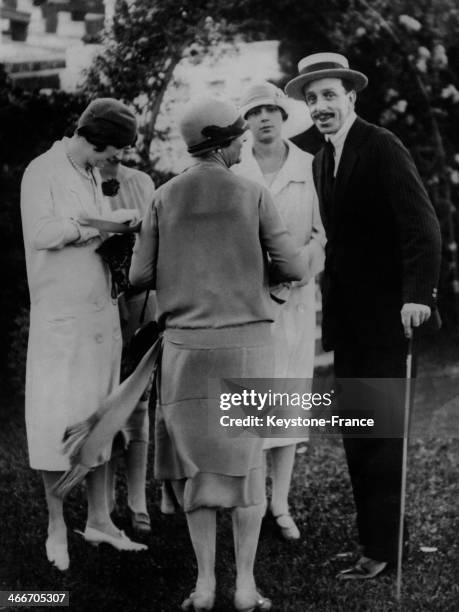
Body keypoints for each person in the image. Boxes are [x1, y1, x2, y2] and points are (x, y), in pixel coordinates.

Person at [129, 96, 309, 611]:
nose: (244, 142)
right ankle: (246, 585)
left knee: (196, 470)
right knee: (247, 470)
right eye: (238, 136)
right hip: (247, 351)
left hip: (185, 351)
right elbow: (293, 266)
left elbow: (141, 277)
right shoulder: (251, 193)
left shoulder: (163, 197)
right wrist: (265, 280)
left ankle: (205, 584)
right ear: (225, 141)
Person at [285, 53, 442, 578]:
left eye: (329, 95)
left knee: (381, 440)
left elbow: (422, 226)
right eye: (311, 99)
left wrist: (417, 294)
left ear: (351, 97)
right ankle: (375, 543)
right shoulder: (320, 157)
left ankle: (381, 550)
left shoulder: (381, 145)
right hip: (350, 321)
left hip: (391, 320)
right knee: (360, 433)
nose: (320, 106)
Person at [20, 98, 148, 571]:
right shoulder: (43, 170)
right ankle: (57, 525)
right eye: (110, 153)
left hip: (99, 316)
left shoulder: (90, 173)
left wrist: (115, 232)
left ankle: (101, 520)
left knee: (102, 419)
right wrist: (97, 226)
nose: (112, 163)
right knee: (57, 421)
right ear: (91, 140)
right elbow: (42, 233)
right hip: (62, 320)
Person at [234, 81, 325, 540]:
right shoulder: (233, 169)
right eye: (255, 112)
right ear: (244, 121)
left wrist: (300, 269)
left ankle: (280, 503)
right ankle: (247, 497)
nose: (265, 118)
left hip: (294, 299)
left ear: (284, 116)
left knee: (287, 401)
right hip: (247, 302)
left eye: (272, 110)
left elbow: (321, 234)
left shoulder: (311, 166)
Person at [100, 155, 156, 533]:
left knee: (138, 397)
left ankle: (137, 499)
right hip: (98, 301)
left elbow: (153, 238)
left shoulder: (141, 182)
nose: (112, 151)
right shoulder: (81, 182)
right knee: (102, 398)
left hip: (138, 296)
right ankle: (104, 499)